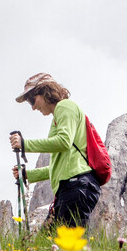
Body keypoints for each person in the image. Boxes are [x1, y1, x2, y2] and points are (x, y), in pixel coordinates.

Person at [10, 73, 100, 230]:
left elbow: (64, 142)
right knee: (51, 246)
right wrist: (28, 175)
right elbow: (59, 167)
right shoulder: (60, 114)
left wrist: (25, 145)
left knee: (61, 247)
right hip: (73, 186)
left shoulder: (65, 107)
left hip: (76, 186)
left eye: (32, 99)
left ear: (45, 92)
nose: (32, 107)